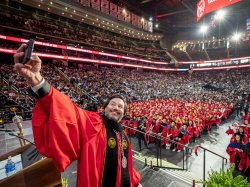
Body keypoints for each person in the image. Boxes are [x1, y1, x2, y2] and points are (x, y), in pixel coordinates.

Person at [13, 44, 142, 187]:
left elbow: (125, 165)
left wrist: (136, 183)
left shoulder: (123, 135)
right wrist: (36, 79)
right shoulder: (94, 122)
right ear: (104, 108)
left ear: (124, 113)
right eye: (113, 104)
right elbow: (68, 111)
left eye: (120, 106)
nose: (116, 108)